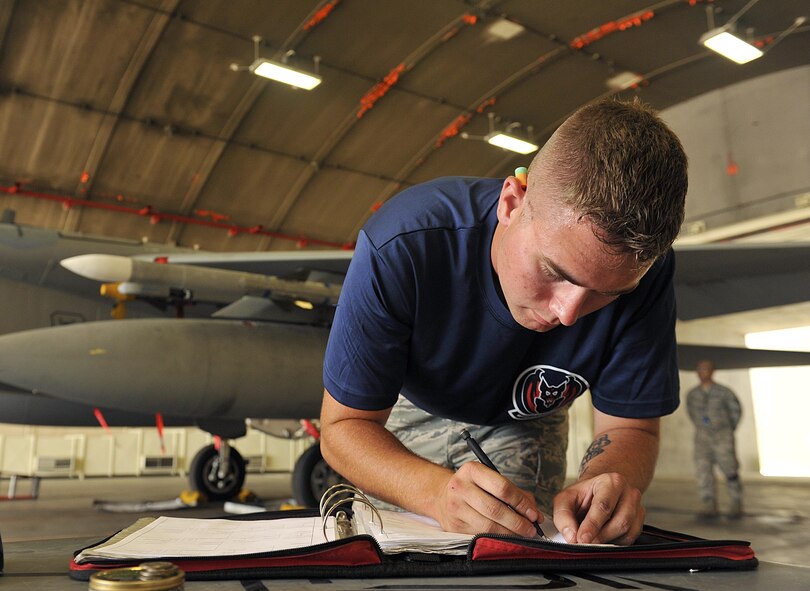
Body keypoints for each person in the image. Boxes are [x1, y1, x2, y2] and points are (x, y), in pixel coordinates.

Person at [320, 98, 688, 546]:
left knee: (517, 551)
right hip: (405, 406)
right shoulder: (404, 244)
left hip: (528, 418)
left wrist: (608, 482)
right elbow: (343, 428)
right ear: (512, 203)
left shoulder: (644, 272)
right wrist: (435, 493)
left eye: (608, 294)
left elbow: (631, 426)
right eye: (555, 272)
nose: (568, 314)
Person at [686, 360, 743, 519]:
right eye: (699, 369)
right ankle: (708, 505)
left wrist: (727, 429)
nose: (702, 372)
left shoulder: (724, 392)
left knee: (730, 470)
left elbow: (736, 412)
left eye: (705, 369)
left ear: (712, 371)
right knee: (703, 471)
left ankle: (736, 503)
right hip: (702, 438)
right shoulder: (692, 394)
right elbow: (691, 414)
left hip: (722, 437)